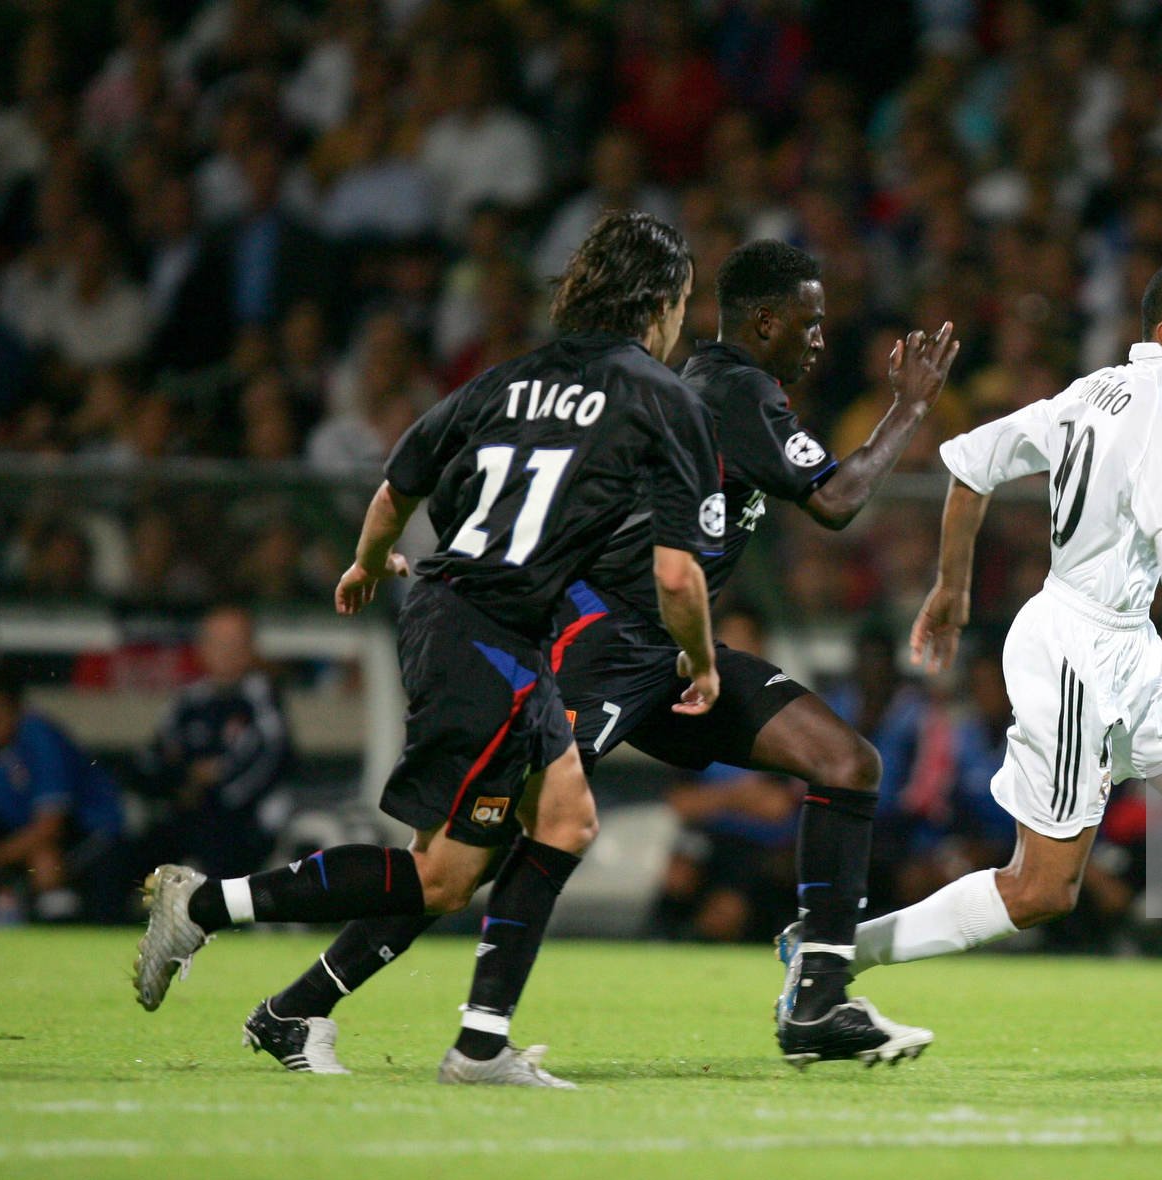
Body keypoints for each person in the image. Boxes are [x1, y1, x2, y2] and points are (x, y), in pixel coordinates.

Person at [242, 239, 956, 1072]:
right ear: (766, 321)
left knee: (844, 761)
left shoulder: (717, 388)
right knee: (483, 848)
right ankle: (305, 1007)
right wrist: (909, 406)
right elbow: (834, 499)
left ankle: (817, 1002)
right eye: (811, 323)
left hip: (671, 654)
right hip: (608, 641)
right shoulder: (731, 388)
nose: (819, 341)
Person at [132, 211, 724, 1088]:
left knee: (565, 820)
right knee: (442, 877)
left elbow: (394, 488)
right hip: (487, 641)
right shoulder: (663, 397)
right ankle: (207, 903)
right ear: (666, 302)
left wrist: (370, 564)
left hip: (464, 617)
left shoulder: (503, 380)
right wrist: (704, 661)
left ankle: (460, 1039)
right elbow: (677, 578)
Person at [809, 259, 1162, 1087]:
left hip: (1121, 641)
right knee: (1041, 891)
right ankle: (834, 950)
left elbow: (970, 462)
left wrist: (954, 584)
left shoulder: (1095, 390)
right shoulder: (1161, 402)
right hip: (1077, 651)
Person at [129, 607, 293, 886]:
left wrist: (212, 784)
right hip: (186, 812)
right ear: (201, 648)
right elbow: (153, 760)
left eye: (235, 644)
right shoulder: (187, 702)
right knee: (136, 847)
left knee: (222, 844)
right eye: (218, 644)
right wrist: (186, 781)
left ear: (250, 648)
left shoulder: (262, 698)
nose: (227, 653)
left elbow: (270, 759)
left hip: (243, 822)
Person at [0, 665, 124, 923]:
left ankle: (60, 926)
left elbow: (50, 826)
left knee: (43, 858)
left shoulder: (38, 737)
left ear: (14, 709)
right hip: (23, 836)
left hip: (94, 836)